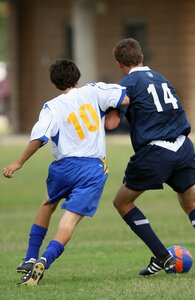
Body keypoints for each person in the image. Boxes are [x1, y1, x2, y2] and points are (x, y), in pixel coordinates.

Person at [2, 59, 129, 286]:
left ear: (54, 84)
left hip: (64, 168)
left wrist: (19, 162)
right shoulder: (94, 91)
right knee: (68, 222)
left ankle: (31, 256)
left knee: (47, 204)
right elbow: (126, 96)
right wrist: (115, 111)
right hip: (92, 168)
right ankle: (44, 259)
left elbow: (39, 139)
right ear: (77, 78)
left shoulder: (52, 107)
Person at [105, 38, 195, 278]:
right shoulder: (162, 79)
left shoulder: (126, 84)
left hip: (155, 152)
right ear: (141, 57)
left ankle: (162, 256)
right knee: (191, 205)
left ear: (119, 64)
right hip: (184, 147)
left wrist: (102, 108)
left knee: (122, 203)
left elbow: (112, 123)